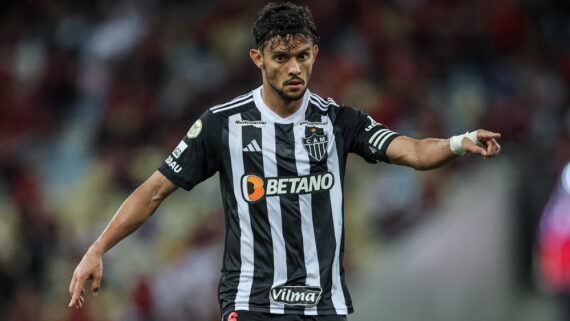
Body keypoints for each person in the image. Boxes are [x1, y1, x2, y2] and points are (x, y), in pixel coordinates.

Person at [68, 2, 501, 320]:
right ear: (258, 59)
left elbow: (412, 151)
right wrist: (98, 248)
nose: (295, 68)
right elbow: (155, 189)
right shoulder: (223, 125)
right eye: (281, 58)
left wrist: (460, 141)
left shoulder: (338, 120)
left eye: (303, 56)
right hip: (251, 302)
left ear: (314, 53)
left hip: (321, 304)